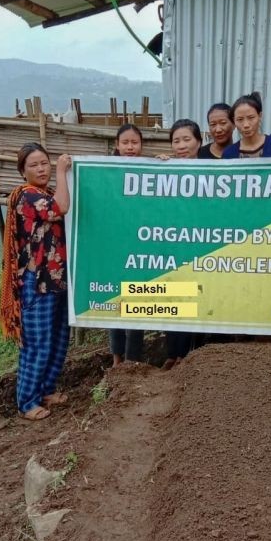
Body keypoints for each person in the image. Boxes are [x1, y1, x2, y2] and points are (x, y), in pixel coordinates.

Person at [0, 143, 72, 421]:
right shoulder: (27, 196)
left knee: (58, 337)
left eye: (45, 163)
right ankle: (27, 401)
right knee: (37, 342)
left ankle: (47, 390)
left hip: (56, 278)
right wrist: (63, 171)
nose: (41, 169)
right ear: (23, 171)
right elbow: (62, 207)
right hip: (35, 281)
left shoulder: (47, 193)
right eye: (34, 165)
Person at [161, 119, 204, 370]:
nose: (181, 145)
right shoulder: (165, 170)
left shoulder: (215, 171)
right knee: (172, 297)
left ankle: (192, 355)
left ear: (198, 142)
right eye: (176, 141)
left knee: (197, 298)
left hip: (202, 247)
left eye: (186, 139)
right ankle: (173, 353)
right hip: (172, 245)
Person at [109, 124, 146, 367]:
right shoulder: (105, 172)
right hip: (114, 248)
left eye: (134, 142)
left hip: (142, 249)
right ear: (117, 145)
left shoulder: (150, 170)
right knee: (113, 305)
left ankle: (133, 360)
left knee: (138, 305)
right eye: (126, 143)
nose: (130, 147)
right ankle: (116, 358)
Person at [223, 92, 271, 158]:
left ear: (260, 116)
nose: (246, 125)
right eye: (240, 119)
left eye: (251, 117)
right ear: (234, 120)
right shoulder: (228, 153)